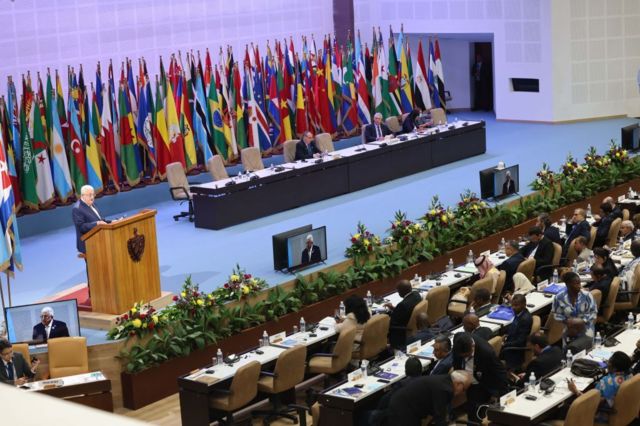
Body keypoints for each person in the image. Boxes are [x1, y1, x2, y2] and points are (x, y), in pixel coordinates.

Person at [452, 332, 508, 423]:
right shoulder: (458, 339)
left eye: (467, 356)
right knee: (471, 411)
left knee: (477, 412)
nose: (465, 358)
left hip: (483, 381)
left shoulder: (486, 352)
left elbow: (500, 371)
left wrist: (503, 394)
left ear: (473, 346)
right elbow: (456, 360)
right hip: (467, 380)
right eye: (463, 356)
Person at [386, 370, 472, 426]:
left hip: (405, 404)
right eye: (464, 389)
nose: (462, 393)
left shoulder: (446, 380)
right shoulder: (445, 389)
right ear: (458, 384)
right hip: (403, 409)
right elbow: (439, 415)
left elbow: (441, 409)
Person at [568, 351, 633, 423]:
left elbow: (591, 403)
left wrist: (575, 390)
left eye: (609, 361)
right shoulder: (629, 375)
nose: (607, 362)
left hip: (601, 414)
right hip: (622, 412)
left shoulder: (608, 383)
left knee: (565, 408)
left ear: (614, 368)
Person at [366, 357, 425, 426]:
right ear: (421, 370)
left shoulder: (402, 384)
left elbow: (384, 401)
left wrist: (378, 408)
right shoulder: (425, 383)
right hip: (415, 419)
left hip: (398, 417)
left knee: (367, 414)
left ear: (406, 371)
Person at [552, 271, 598, 339]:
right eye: (576, 284)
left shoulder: (587, 295)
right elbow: (556, 314)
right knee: (569, 348)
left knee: (583, 345)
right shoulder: (559, 297)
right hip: (568, 328)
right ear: (568, 284)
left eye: (579, 283)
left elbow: (593, 313)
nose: (579, 286)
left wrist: (582, 320)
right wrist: (566, 321)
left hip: (586, 327)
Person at [72, 185, 111, 254]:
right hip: (88, 244)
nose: (92, 197)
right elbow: (81, 227)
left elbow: (99, 219)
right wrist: (97, 224)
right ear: (82, 195)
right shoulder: (77, 209)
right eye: (90, 195)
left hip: (99, 241)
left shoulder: (92, 203)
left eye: (93, 194)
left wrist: (111, 222)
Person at [384, 280, 422, 349]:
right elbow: (407, 311)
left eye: (398, 291)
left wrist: (384, 317)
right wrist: (393, 308)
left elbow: (392, 323)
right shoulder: (416, 295)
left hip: (401, 333)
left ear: (401, 292)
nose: (398, 293)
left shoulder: (402, 305)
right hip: (414, 327)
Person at [500, 294, 533, 371]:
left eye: (516, 305)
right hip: (511, 341)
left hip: (515, 351)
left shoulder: (525, 319)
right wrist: (506, 335)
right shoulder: (520, 313)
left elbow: (520, 341)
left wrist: (504, 344)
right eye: (512, 305)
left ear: (524, 305)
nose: (513, 308)